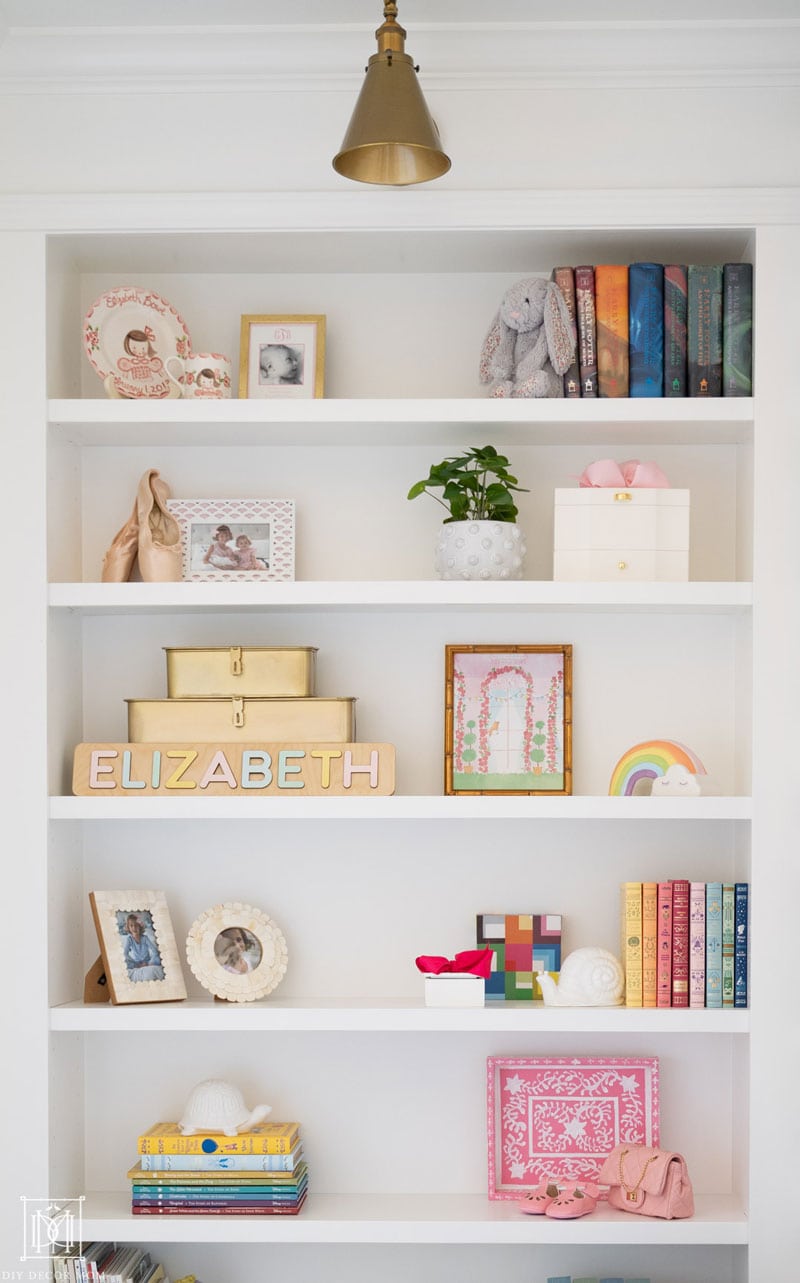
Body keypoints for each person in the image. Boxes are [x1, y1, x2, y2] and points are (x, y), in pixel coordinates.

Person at [121, 913, 164, 981]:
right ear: (128, 928)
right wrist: (136, 964)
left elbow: (155, 951)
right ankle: (137, 966)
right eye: (131, 926)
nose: (134, 928)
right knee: (124, 961)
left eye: (136, 925)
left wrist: (149, 963)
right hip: (136, 963)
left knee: (159, 958)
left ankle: (148, 964)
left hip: (147, 961)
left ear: (140, 927)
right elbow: (125, 954)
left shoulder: (145, 938)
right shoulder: (129, 939)